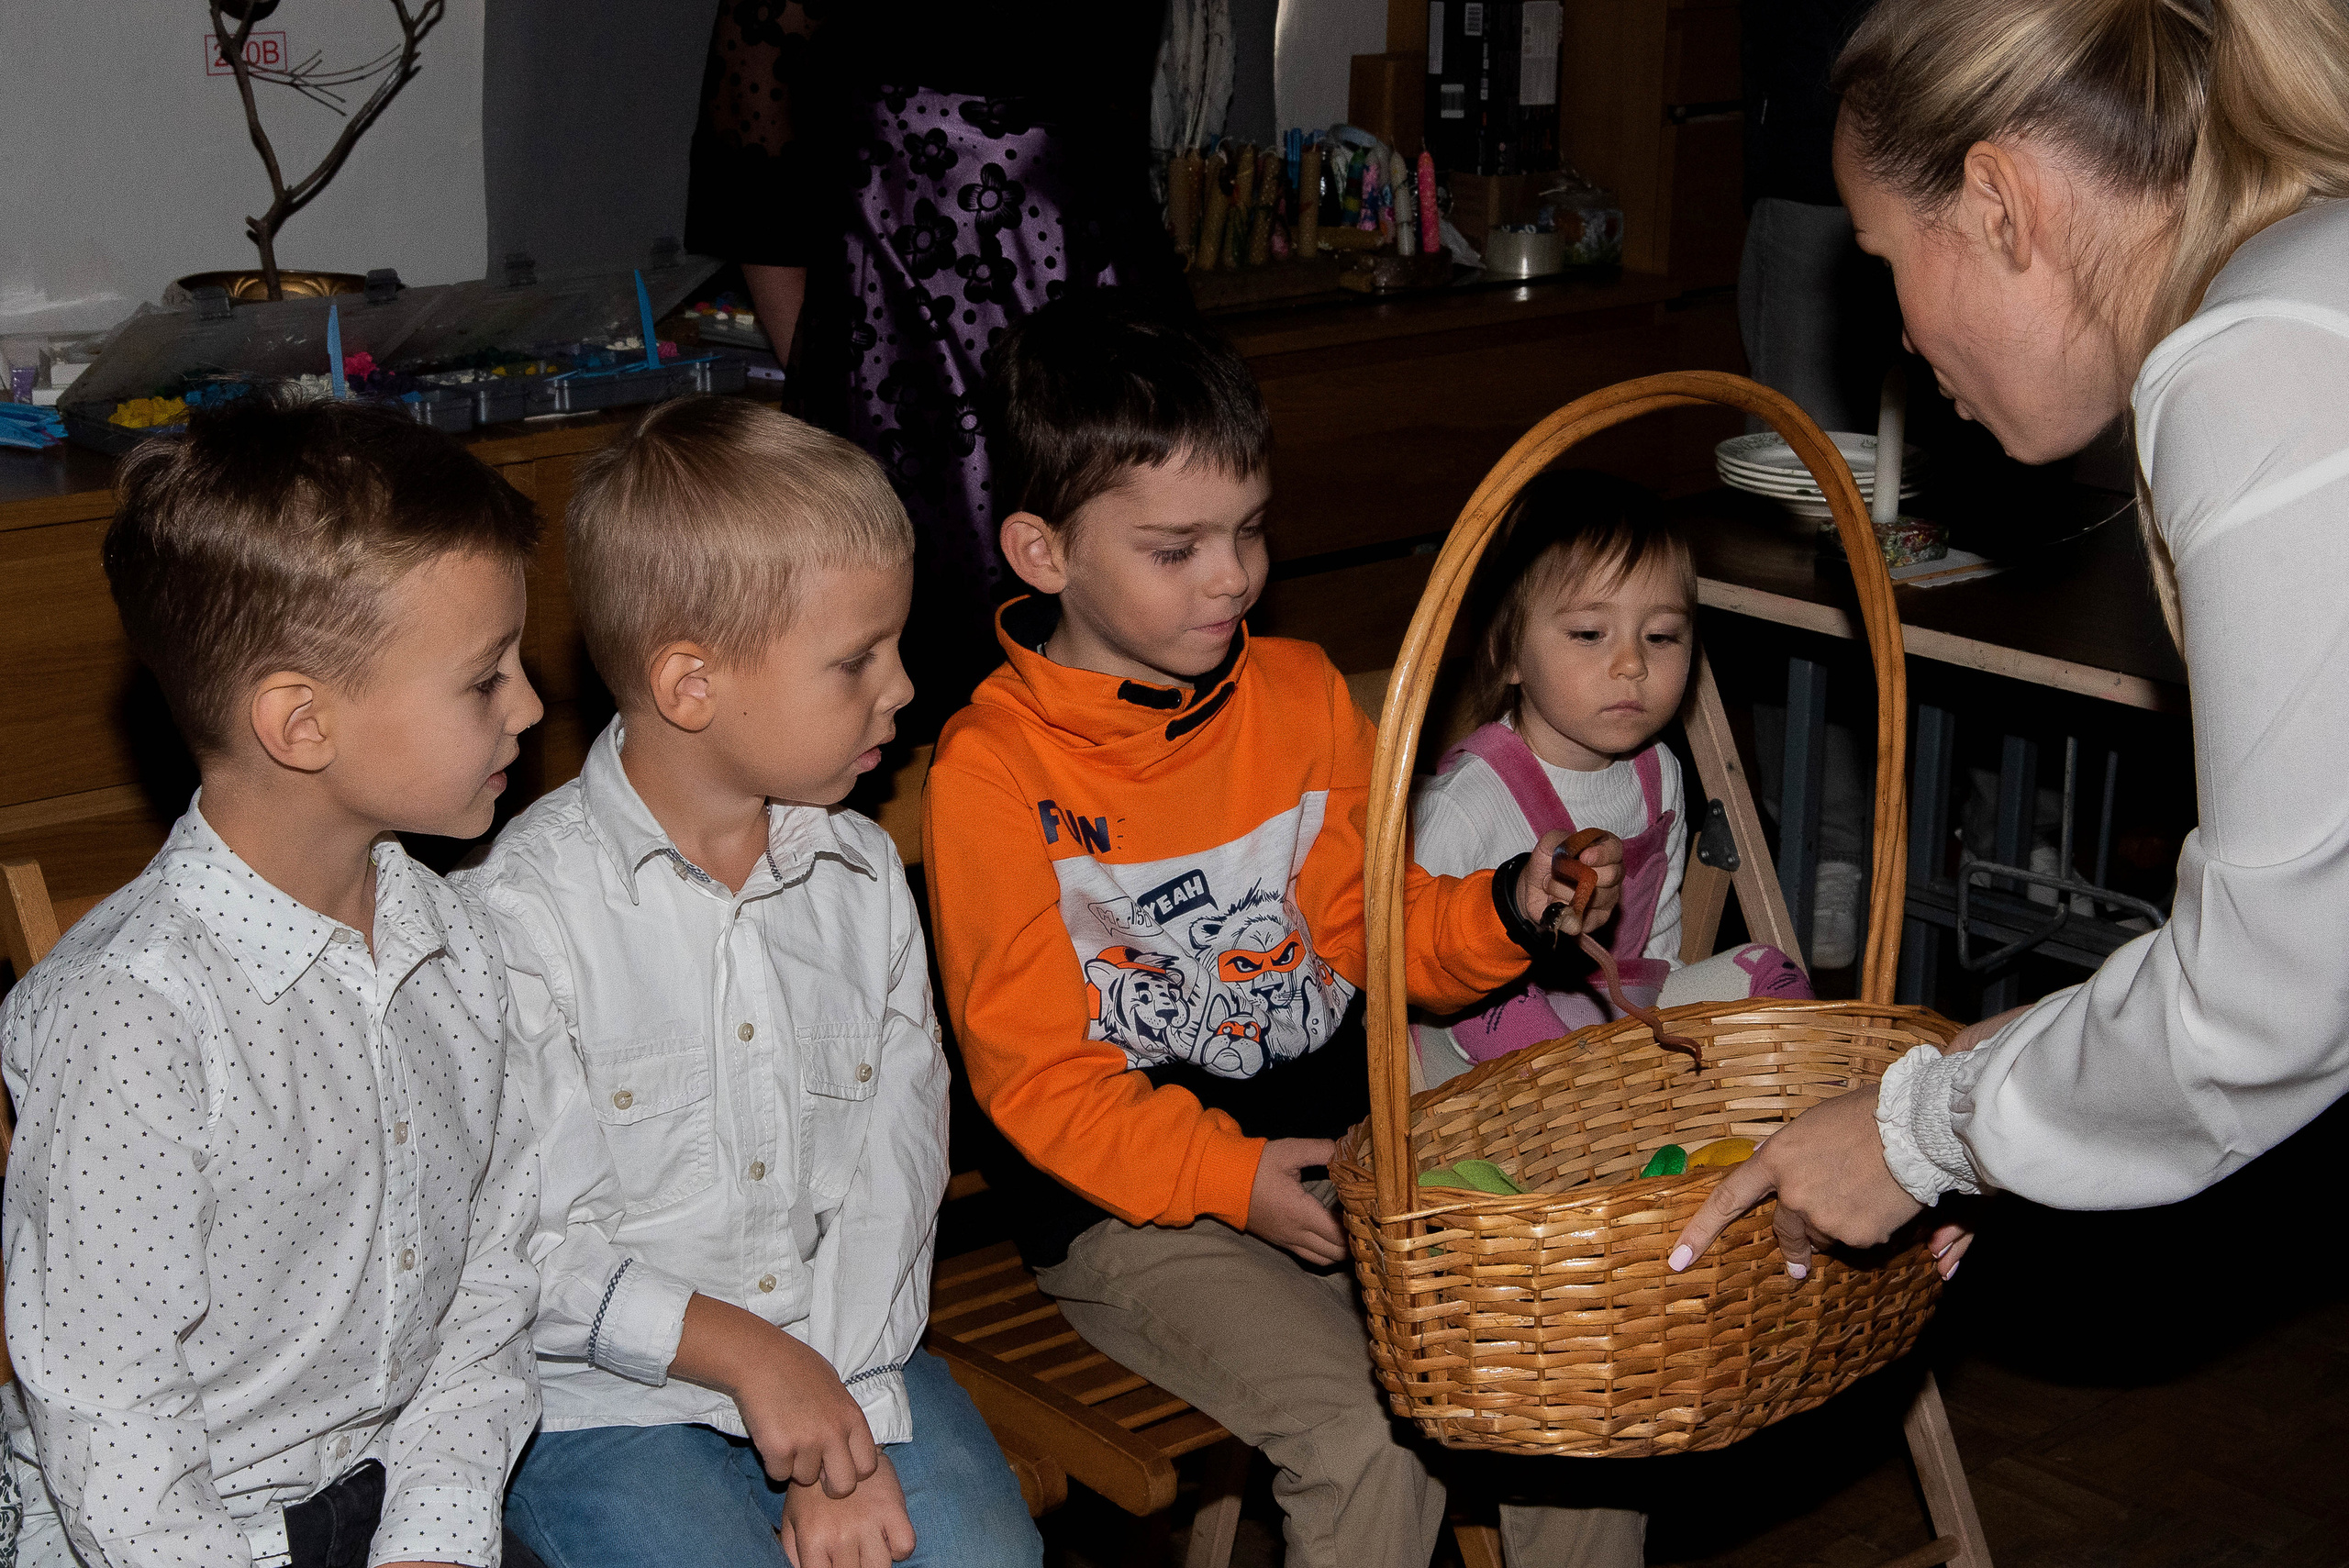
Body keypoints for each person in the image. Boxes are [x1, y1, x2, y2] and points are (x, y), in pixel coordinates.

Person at [919, 293, 1626, 1568]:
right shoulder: (992, 768)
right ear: (1041, 553)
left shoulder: (1298, 694)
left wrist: (1510, 905)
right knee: (1370, 1438)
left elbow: (1377, 936)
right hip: (1132, 1216)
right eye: (1177, 547)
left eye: (1245, 530)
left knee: (1556, 1382)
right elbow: (1036, 1080)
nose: (1234, 573)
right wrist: (1234, 1182)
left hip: (1345, 1163)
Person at [1669, 0, 2349, 1276]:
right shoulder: (2307, 290)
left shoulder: (2254, 371)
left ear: (1999, 202)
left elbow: (2264, 1006)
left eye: (1886, 266)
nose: (1907, 340)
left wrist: (1917, 1135)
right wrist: (2010, 1089)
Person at [459, 397, 1040, 1568]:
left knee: (988, 1557)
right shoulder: (520, 913)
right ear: (692, 684)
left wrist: (846, 1404)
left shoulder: (862, 874)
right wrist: (750, 1357)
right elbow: (523, 1248)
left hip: (849, 1343)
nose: (902, 688)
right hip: (604, 1406)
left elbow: (896, 1164)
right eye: (855, 659)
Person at [1, 395, 545, 1568]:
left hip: (403, 1504)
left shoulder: (454, 943)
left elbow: (489, 1287)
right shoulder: (135, 1018)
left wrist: (435, 1537)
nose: (531, 706)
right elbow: (115, 1448)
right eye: (484, 679)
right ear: (303, 724)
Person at [683, 1, 1185, 723]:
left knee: (1141, 669)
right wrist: (844, 382)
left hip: (1112, 336)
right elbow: (755, 170)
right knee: (909, 691)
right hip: (899, 367)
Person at [1411, 470, 1812, 1092]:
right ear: (1510, 654)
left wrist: (1672, 1040)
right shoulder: (1470, 800)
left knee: (1770, 974)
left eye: (1660, 635)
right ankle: (1612, 1132)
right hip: (1475, 1060)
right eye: (1590, 633)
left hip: (1610, 1027)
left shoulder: (1659, 774)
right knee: (1496, 1005)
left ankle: (1766, 1137)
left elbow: (1661, 938)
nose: (1632, 663)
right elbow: (1410, 977)